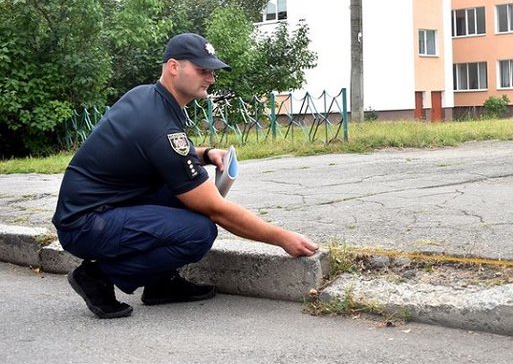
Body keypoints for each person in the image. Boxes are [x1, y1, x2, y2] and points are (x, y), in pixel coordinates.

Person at [52, 33, 319, 318]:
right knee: (198, 231)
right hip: (86, 223)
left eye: (212, 71)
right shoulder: (158, 124)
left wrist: (205, 154)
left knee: (184, 197)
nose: (211, 79)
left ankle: (160, 284)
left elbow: (160, 152)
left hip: (96, 210)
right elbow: (216, 209)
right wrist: (282, 238)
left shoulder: (147, 97)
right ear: (173, 67)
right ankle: (97, 276)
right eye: (202, 70)